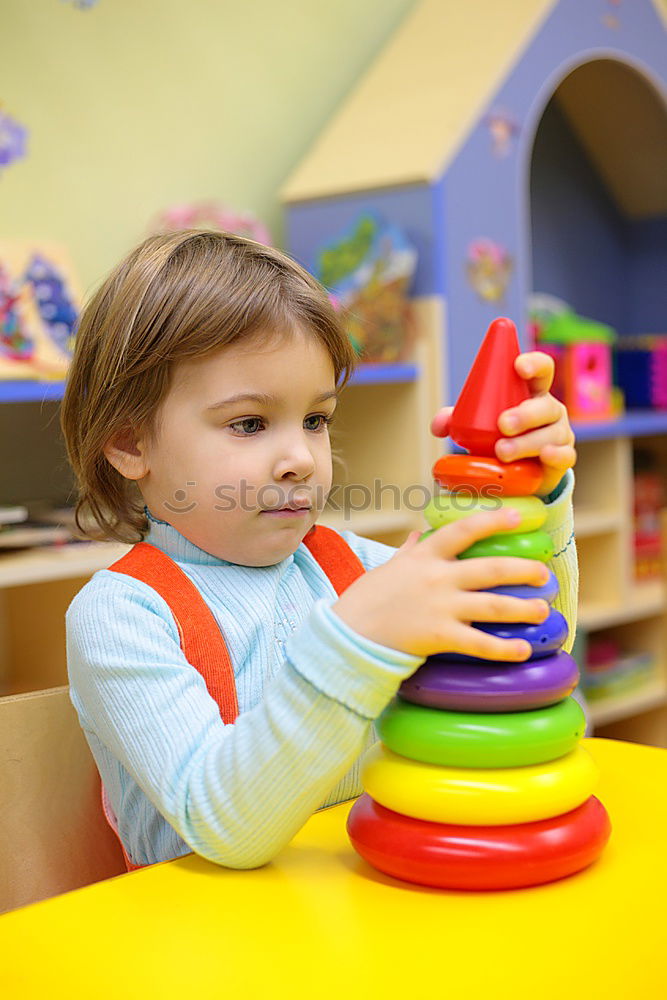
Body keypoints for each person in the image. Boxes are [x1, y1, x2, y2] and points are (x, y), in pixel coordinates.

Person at [61, 229, 578, 870]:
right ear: (130, 443)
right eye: (249, 423)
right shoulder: (121, 615)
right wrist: (357, 636)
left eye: (316, 419)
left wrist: (534, 491)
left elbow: (520, 651)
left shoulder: (353, 567)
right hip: (213, 944)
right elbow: (223, 827)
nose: (301, 459)